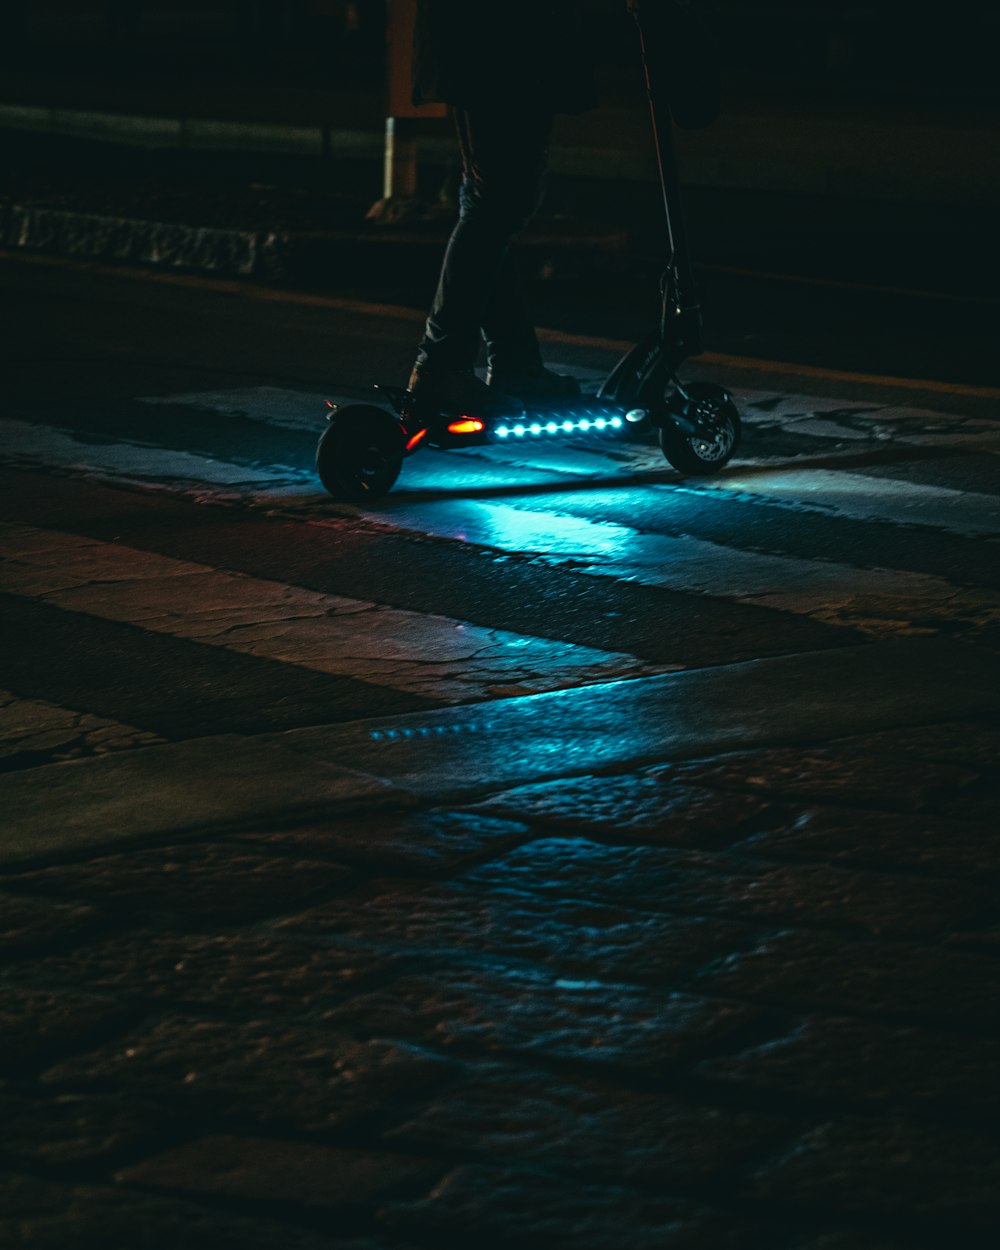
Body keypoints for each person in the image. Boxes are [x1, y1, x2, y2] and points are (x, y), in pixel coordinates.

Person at [406, 0, 600, 418]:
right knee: (497, 203)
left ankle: (514, 363)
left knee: (490, 204)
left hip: (486, 41)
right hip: (504, 44)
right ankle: (442, 365)